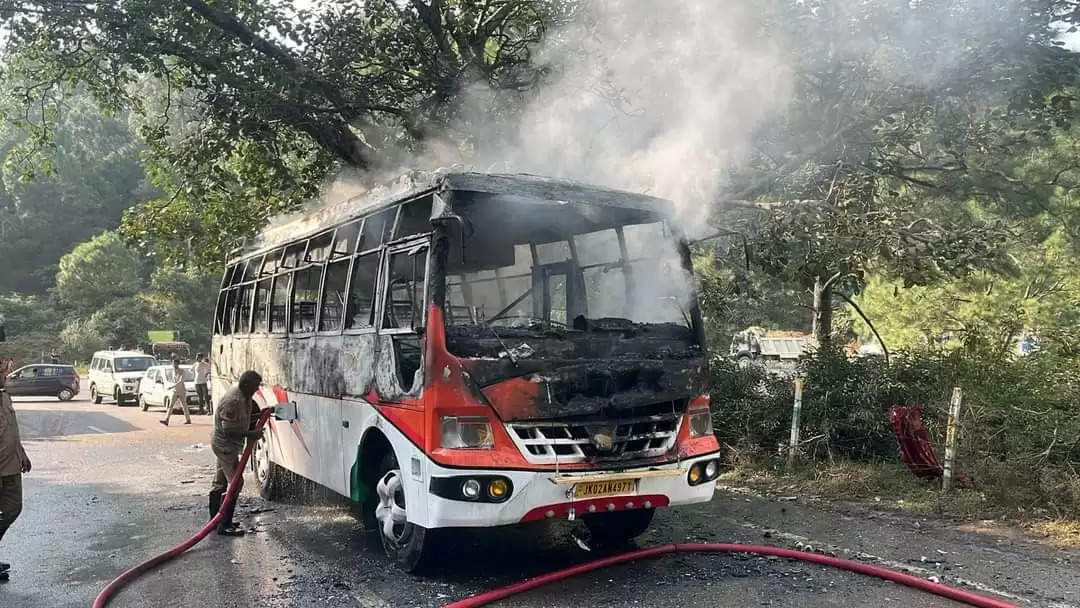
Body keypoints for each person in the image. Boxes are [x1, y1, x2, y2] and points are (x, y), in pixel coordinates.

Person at [208, 370, 264, 536]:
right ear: (246, 385)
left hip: (228, 445)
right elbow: (228, 431)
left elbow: (247, 416)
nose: (256, 390)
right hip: (225, 445)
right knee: (235, 483)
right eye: (255, 386)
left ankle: (215, 520)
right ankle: (224, 524)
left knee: (219, 483)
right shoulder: (233, 400)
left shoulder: (245, 396)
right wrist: (251, 435)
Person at [0, 359, 31, 582]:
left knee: (13, 508)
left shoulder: (4, 396)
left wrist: (22, 453)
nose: (6, 375)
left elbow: (11, 430)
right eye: (2, 372)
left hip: (11, 466)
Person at [159, 358, 191, 426]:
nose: (174, 365)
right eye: (173, 363)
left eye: (175, 363)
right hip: (175, 391)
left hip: (181, 390)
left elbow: (180, 381)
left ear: (178, 364)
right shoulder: (172, 371)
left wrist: (172, 386)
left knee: (184, 405)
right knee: (170, 405)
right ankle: (166, 419)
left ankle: (188, 419)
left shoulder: (182, 371)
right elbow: (173, 380)